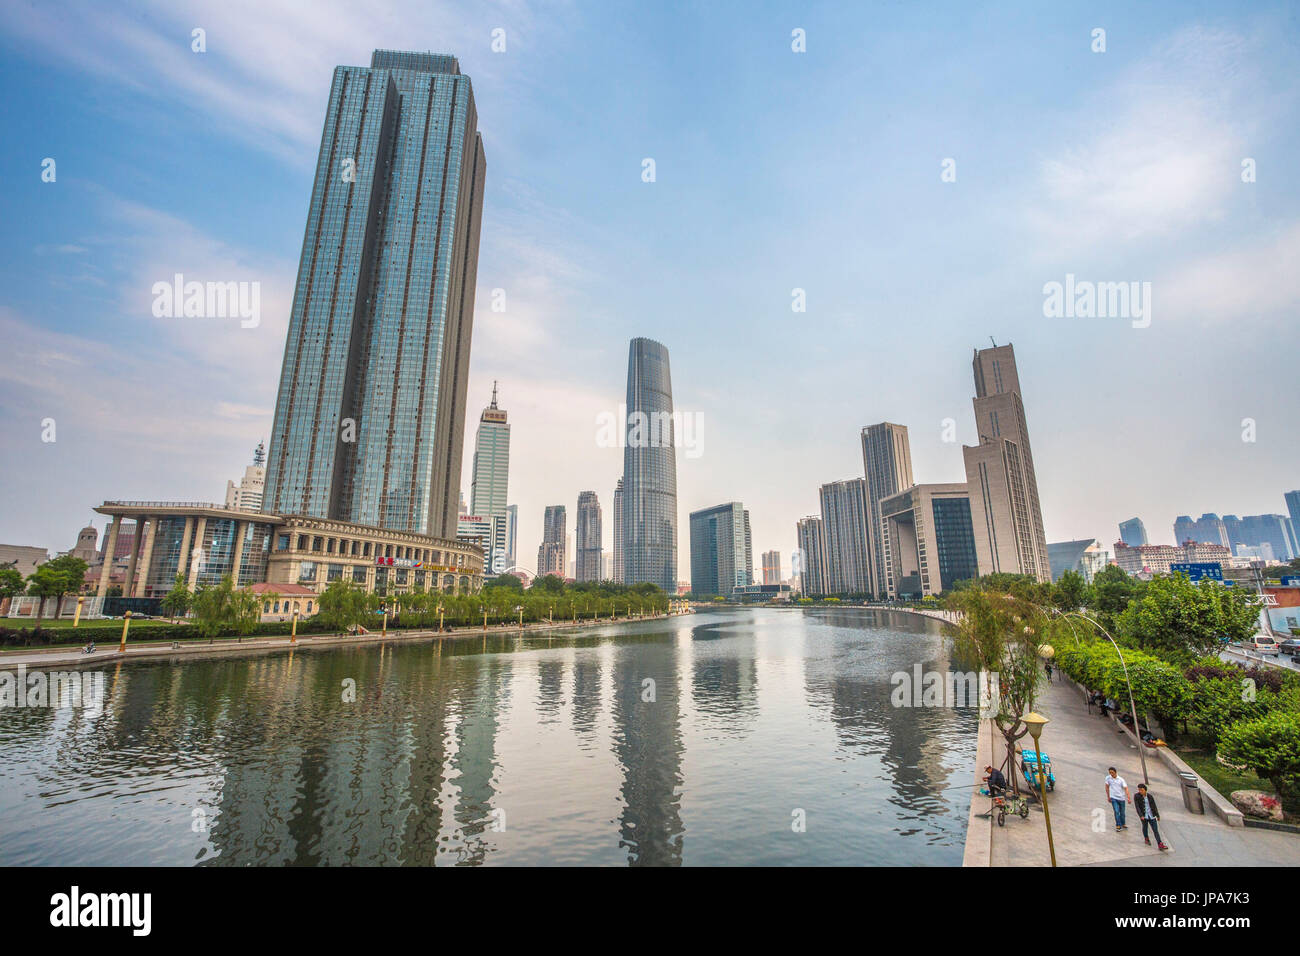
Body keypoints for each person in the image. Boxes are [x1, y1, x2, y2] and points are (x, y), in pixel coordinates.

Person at [1133, 783, 1168, 850]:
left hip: (1151, 815)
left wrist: (1157, 815)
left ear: (1145, 790)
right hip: (1144, 816)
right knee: (1145, 827)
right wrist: (1141, 816)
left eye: (1142, 790)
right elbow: (1137, 807)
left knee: (1155, 830)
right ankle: (1146, 838)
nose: (1140, 791)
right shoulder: (1136, 796)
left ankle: (1160, 844)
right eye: (1139, 790)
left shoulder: (1150, 796)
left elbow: (1154, 806)